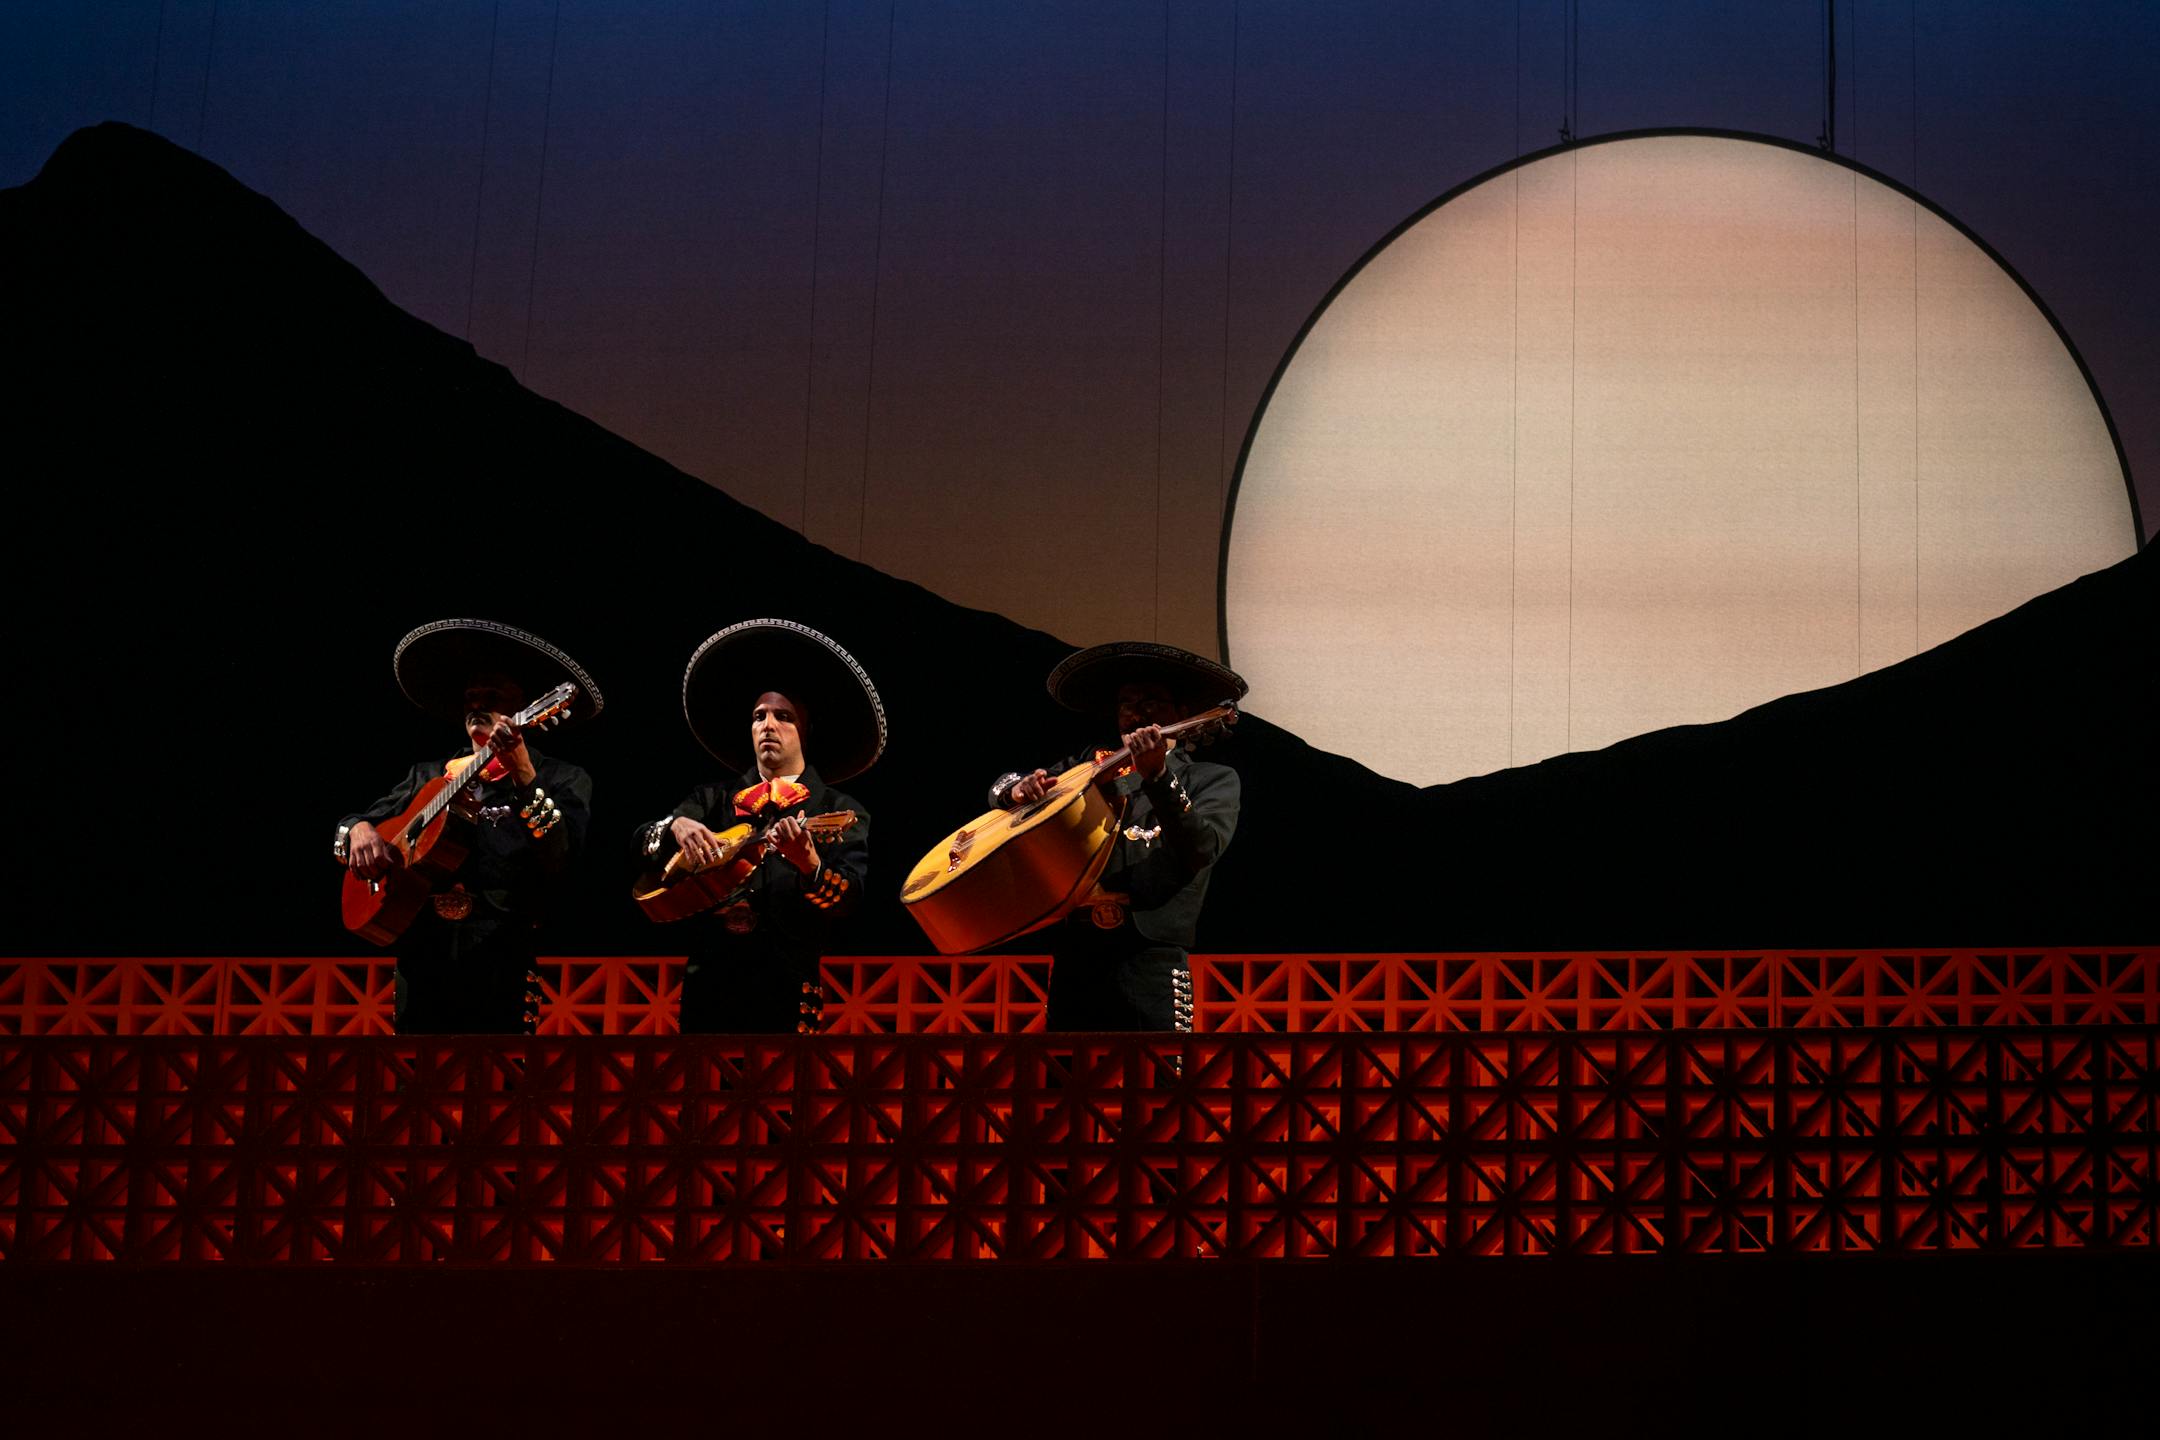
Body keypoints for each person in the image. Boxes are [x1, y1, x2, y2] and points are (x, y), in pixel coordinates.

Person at [334, 619, 600, 1034]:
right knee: (415, 1067)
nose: (478, 704)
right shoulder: (428, 775)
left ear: (523, 706)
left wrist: (524, 774)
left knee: (501, 1068)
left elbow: (561, 856)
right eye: (471, 697)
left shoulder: (562, 778)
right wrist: (357, 829)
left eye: (492, 696)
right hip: (423, 954)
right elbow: (360, 822)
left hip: (504, 953)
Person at [635, 619, 881, 1034]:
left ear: (804, 731)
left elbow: (849, 899)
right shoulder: (711, 800)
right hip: (709, 984)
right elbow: (641, 843)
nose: (768, 725)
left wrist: (809, 864)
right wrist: (676, 825)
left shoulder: (839, 808)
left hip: (788, 984)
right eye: (758, 716)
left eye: (783, 717)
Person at [990, 642, 1243, 1032]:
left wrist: (1158, 777)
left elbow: (1201, 848)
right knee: (1066, 1067)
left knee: (1158, 1069)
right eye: (1126, 703)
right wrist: (1017, 790)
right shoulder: (1087, 767)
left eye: (1150, 701)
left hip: (1150, 953)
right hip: (1076, 948)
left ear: (1181, 713)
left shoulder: (1208, 779)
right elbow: (1001, 790)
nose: (1136, 713)